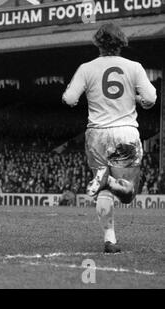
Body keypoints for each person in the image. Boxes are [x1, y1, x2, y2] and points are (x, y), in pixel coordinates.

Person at [62, 23, 156, 253]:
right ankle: (111, 182)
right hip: (125, 132)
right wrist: (138, 98)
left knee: (104, 191)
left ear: (98, 43)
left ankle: (110, 239)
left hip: (97, 135)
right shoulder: (134, 67)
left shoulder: (86, 68)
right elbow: (151, 98)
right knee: (127, 193)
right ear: (121, 43)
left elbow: (70, 98)